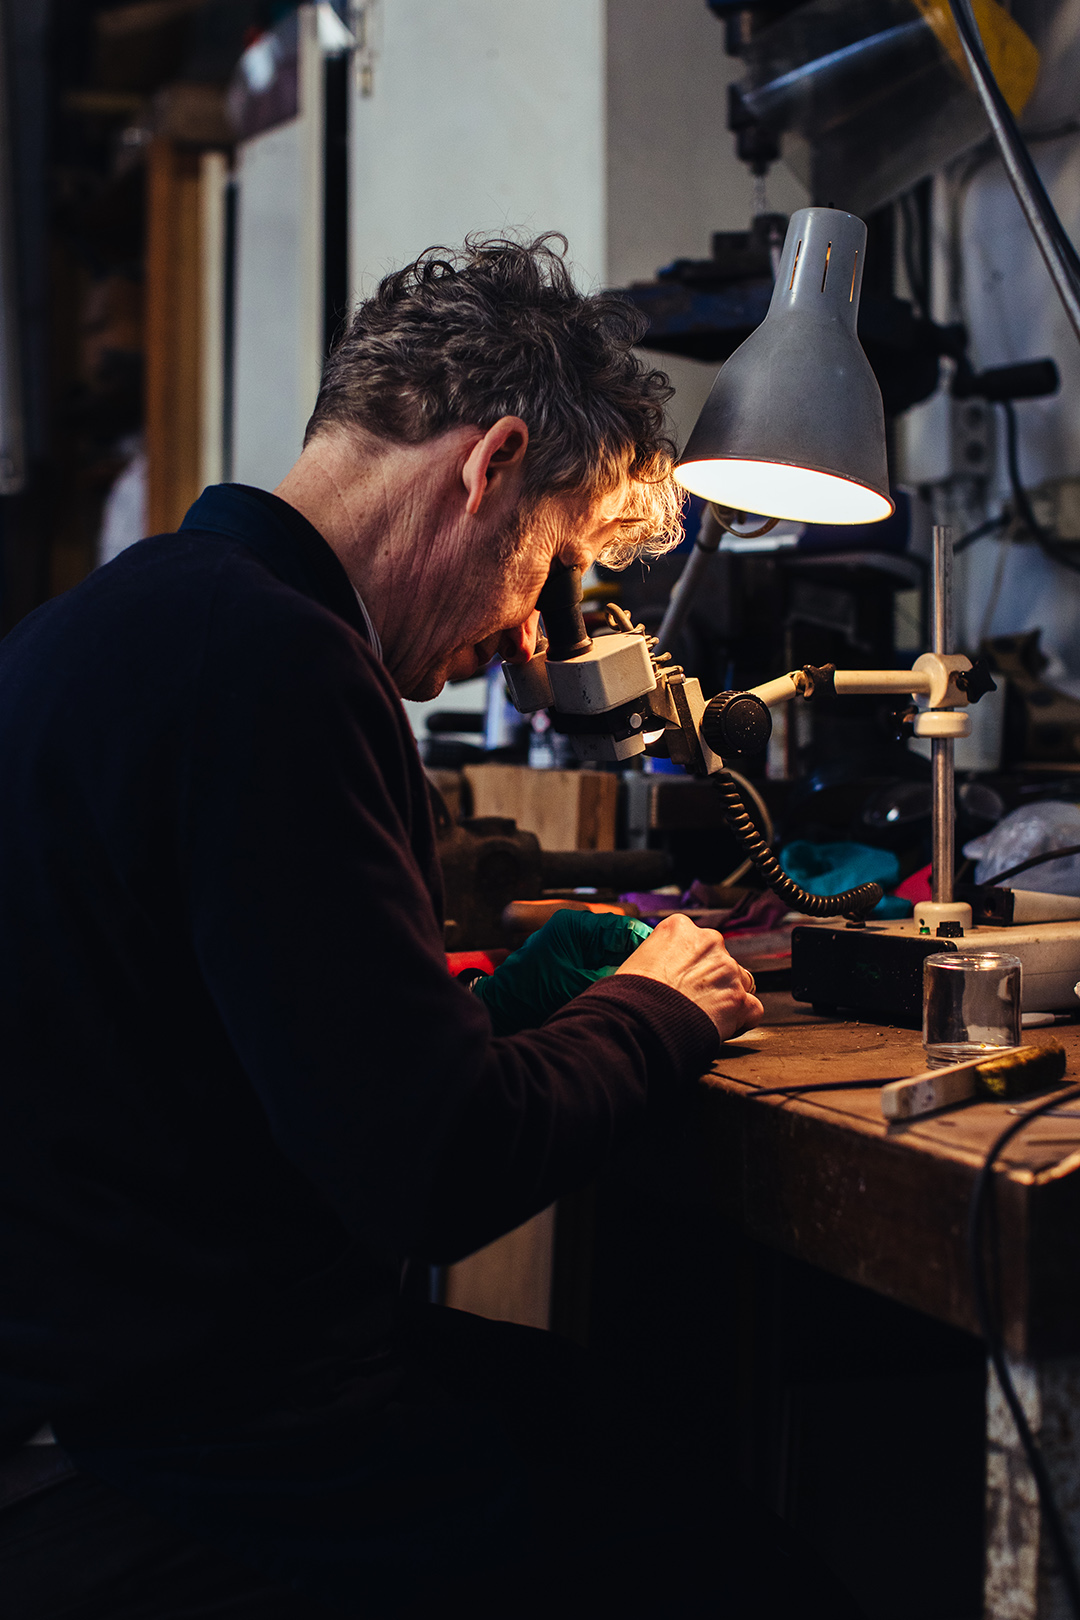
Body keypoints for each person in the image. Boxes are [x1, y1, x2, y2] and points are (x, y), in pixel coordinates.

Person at [0, 237, 858, 1618]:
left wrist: (499, 1013)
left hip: (124, 1377)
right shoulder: (275, 663)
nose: (534, 641)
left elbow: (256, 1062)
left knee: (629, 1428)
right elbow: (435, 1168)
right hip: (192, 1437)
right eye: (557, 569)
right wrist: (658, 1006)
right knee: (747, 1562)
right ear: (490, 467)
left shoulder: (122, 622)